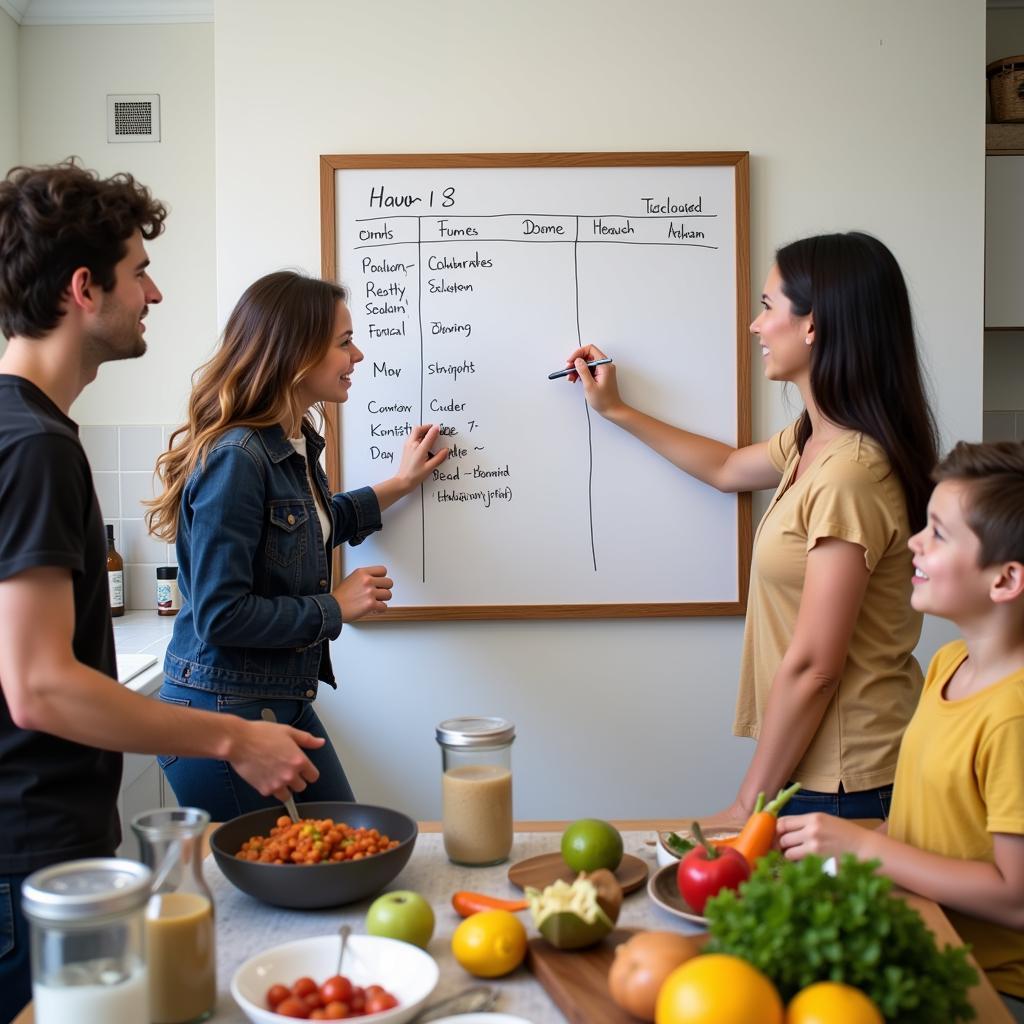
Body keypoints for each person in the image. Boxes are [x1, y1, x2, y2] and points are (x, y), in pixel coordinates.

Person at [0, 161, 326, 1023]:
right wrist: (233, 739)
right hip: (29, 856)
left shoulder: (24, 431)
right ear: (83, 288)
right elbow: (36, 687)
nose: (155, 293)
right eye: (140, 270)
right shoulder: (35, 447)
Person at [562, 231, 938, 823]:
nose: (755, 327)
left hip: (850, 778)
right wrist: (616, 410)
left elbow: (816, 666)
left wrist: (747, 803)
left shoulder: (851, 474)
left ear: (813, 325)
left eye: (768, 307)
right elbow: (728, 467)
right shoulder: (816, 441)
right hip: (819, 772)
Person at [145, 270, 448, 820]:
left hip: (275, 701)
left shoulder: (292, 441)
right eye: (343, 341)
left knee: (343, 850)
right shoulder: (238, 457)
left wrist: (400, 484)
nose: (358, 354)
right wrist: (336, 606)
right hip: (221, 712)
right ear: (296, 353)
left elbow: (314, 524)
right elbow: (220, 615)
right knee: (283, 887)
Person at [777, 441, 1024, 1020]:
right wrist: (846, 857)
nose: (913, 541)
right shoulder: (948, 665)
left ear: (1006, 579)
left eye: (937, 532)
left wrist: (862, 846)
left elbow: (1015, 898)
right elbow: (921, 822)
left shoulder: (1013, 716)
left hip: (987, 988)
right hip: (924, 939)